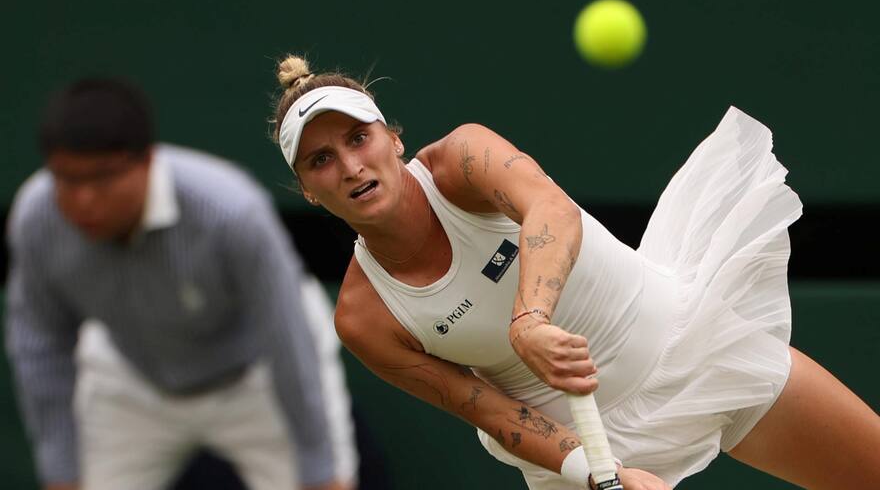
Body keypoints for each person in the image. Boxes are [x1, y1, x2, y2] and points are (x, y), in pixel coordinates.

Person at [267, 55, 880, 490]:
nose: (350, 165)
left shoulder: (461, 161)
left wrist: (528, 319)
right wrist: (599, 473)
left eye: (358, 137)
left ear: (393, 139)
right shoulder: (363, 315)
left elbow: (552, 209)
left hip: (693, 339)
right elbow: (484, 407)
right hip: (585, 448)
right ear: (309, 192)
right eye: (322, 160)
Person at [5, 78, 358, 490]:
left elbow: (287, 338)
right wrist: (62, 472)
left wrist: (318, 467)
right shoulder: (37, 218)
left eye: (101, 179)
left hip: (259, 374)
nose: (83, 199)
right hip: (129, 378)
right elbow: (40, 344)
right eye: (66, 180)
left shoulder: (229, 211)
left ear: (146, 162)